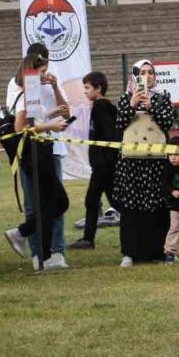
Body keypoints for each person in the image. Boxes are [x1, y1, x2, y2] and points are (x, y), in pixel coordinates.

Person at [3, 54, 71, 270]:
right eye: (42, 71)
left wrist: (51, 114)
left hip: (41, 150)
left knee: (54, 202)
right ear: (32, 71)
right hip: (36, 152)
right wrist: (51, 126)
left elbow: (34, 119)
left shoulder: (33, 94)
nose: (45, 75)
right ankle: (31, 242)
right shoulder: (26, 94)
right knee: (55, 202)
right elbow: (20, 127)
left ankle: (29, 239)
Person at [113, 60, 175, 266]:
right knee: (131, 207)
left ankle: (156, 252)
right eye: (142, 72)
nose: (147, 76)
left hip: (156, 161)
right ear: (134, 76)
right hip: (131, 161)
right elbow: (119, 124)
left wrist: (153, 106)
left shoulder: (162, 98)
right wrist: (132, 105)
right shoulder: (125, 98)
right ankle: (129, 253)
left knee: (157, 206)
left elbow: (168, 123)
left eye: (151, 72)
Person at [69, 71, 120, 250]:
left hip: (103, 166)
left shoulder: (101, 108)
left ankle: (88, 239)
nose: (84, 91)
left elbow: (108, 136)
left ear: (98, 89)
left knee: (94, 200)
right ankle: (88, 239)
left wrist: (103, 162)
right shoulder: (97, 107)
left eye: (87, 87)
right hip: (102, 165)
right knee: (112, 201)